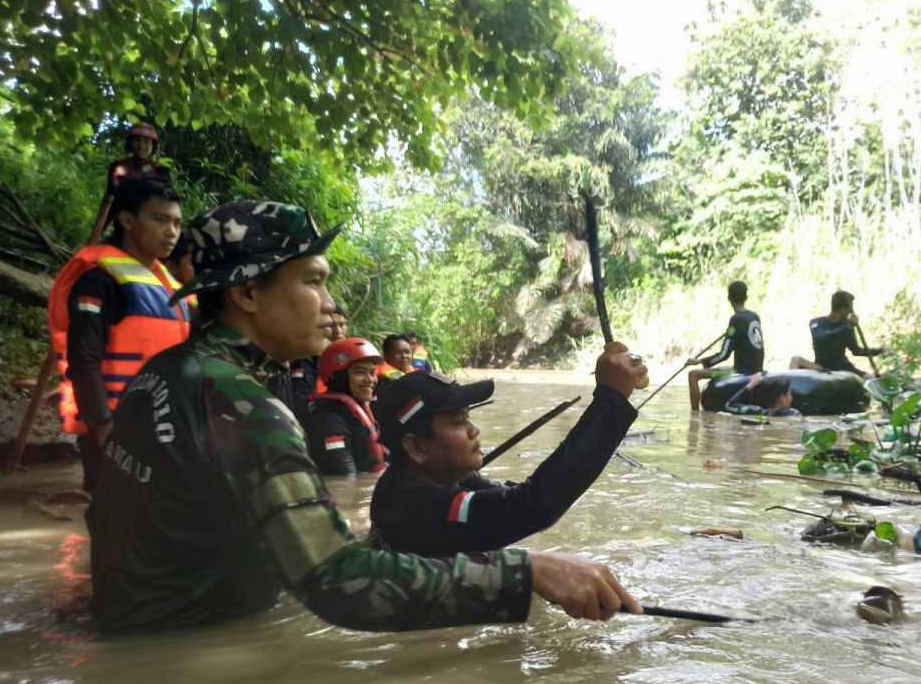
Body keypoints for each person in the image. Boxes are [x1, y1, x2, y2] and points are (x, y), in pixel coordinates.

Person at [85, 199, 641, 635]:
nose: (332, 304)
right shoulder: (238, 400)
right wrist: (528, 572)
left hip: (141, 630)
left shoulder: (169, 371)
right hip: (186, 653)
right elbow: (338, 581)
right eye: (314, 281)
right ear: (249, 292)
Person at [367, 344, 646, 557]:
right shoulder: (420, 510)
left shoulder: (417, 478)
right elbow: (533, 506)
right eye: (457, 422)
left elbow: (515, 502)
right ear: (416, 447)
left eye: (468, 416)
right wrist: (611, 400)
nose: (473, 429)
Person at [48, 175, 190, 493]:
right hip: (115, 432)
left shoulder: (168, 283)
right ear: (126, 220)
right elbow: (83, 362)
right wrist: (106, 435)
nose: (171, 232)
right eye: (160, 220)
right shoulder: (98, 282)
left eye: (177, 223)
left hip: (165, 430)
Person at [304, 337, 386, 476]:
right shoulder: (329, 421)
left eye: (372, 373)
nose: (370, 380)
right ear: (338, 376)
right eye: (360, 372)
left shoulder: (355, 410)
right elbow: (345, 482)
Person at [87, 122, 173, 243]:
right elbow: (110, 201)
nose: (141, 146)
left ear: (153, 146)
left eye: (146, 142)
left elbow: (166, 206)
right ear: (130, 143)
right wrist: (97, 233)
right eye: (137, 141)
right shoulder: (118, 167)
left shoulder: (161, 171)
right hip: (122, 229)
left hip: (149, 231)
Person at [686, 280, 764, 410]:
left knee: (693, 375)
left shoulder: (736, 320)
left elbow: (723, 354)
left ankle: (694, 415)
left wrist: (698, 361)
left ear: (729, 298)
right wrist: (731, 333)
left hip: (741, 371)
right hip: (757, 369)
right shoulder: (754, 316)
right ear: (746, 297)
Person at [808, 290, 883, 377]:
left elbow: (856, 351)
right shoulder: (816, 323)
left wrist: (879, 351)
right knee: (796, 360)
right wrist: (847, 326)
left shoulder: (847, 325)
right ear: (843, 309)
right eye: (850, 309)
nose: (850, 313)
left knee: (871, 379)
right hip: (821, 366)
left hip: (843, 367)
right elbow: (821, 337)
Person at [723, 372, 799, 417]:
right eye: (790, 394)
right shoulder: (793, 414)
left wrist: (751, 385)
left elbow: (730, 405)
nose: (791, 397)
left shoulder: (757, 412)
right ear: (782, 399)